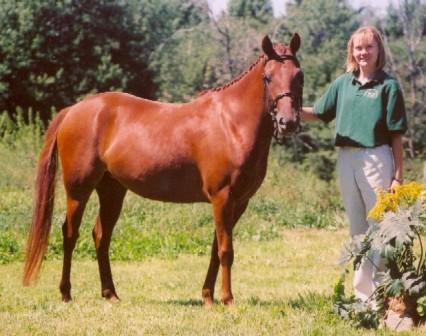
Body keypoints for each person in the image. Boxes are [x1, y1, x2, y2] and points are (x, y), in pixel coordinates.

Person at [301, 26, 407, 302]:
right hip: (346, 160)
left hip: (377, 158)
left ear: (378, 51)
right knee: (357, 229)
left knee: (380, 227)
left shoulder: (388, 86)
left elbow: (397, 136)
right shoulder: (342, 84)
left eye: (368, 47)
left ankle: (386, 295)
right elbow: (320, 113)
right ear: (352, 52)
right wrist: (287, 110)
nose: (363, 52)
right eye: (358, 48)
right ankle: (364, 299)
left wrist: (398, 177)